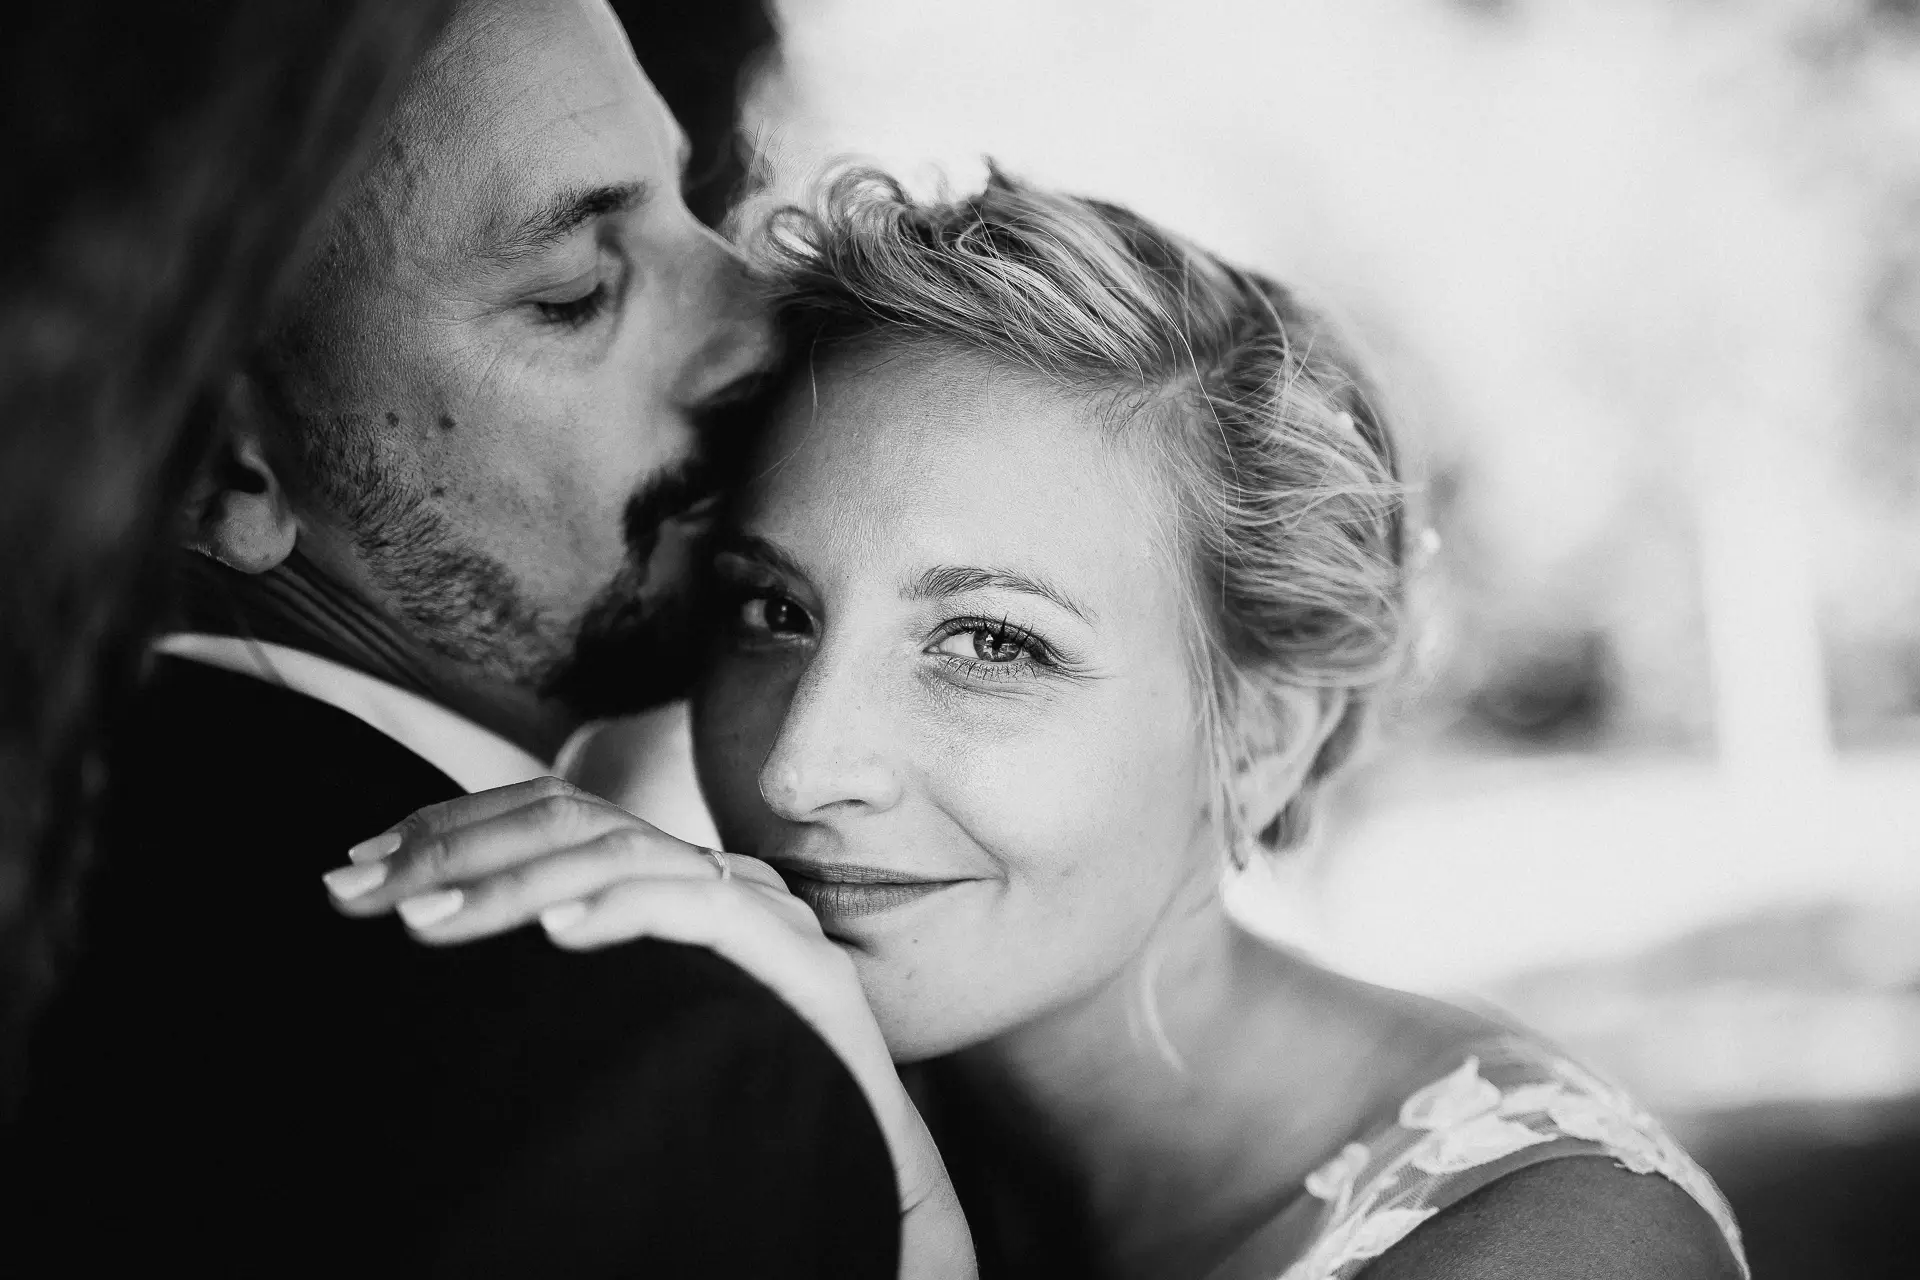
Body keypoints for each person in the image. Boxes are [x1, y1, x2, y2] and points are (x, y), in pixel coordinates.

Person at [337, 169, 1753, 1279]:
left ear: (1259, 737)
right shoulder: (722, 1094)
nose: (798, 766)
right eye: (775, 611)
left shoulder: (1558, 1252)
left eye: (992, 642)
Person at [4, 2, 904, 1275]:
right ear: (219, 471)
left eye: (688, 202)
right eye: (577, 292)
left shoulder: (86, 874)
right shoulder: (653, 1079)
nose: (760, 319)